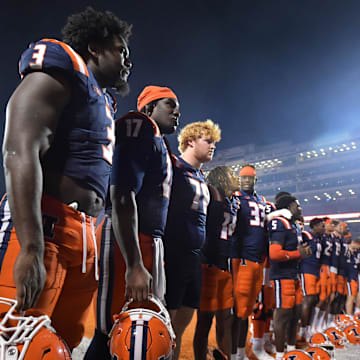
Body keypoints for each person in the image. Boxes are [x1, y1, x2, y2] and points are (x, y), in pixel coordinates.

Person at [0, 7, 132, 350]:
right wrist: (30, 245)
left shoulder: (104, 100)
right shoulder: (64, 65)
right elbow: (18, 148)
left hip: (85, 236)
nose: (127, 61)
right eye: (121, 50)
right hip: (46, 227)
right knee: (16, 341)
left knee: (61, 344)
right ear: (95, 48)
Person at [84, 85, 180, 359]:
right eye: (170, 105)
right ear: (149, 107)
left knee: (144, 328)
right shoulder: (139, 125)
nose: (176, 113)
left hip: (147, 239)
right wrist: (135, 264)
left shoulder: (159, 139)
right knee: (116, 329)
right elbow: (122, 194)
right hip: (127, 238)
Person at [164, 119, 221, 360]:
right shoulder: (173, 167)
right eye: (208, 141)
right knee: (166, 321)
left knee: (182, 322)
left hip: (194, 256)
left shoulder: (201, 177)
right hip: (173, 253)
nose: (212, 147)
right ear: (190, 141)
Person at [193, 166, 240, 360]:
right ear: (222, 178)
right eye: (231, 175)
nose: (236, 178)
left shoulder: (232, 201)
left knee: (225, 319)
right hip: (208, 265)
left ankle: (225, 355)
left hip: (224, 265)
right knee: (205, 320)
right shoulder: (211, 195)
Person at [267, 194, 311, 360]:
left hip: (294, 274)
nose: (299, 208)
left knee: (295, 313)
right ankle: (280, 354)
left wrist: (302, 254)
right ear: (289, 205)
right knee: (283, 314)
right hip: (282, 275)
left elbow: (295, 253)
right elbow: (275, 254)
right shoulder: (279, 222)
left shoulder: (293, 226)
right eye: (297, 205)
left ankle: (292, 351)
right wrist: (297, 253)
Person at [231, 164, 268, 360]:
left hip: (256, 259)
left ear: (255, 180)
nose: (246, 180)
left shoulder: (262, 201)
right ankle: (236, 353)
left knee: (248, 308)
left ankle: (241, 351)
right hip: (242, 257)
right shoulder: (235, 198)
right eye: (243, 177)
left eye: (250, 177)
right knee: (239, 309)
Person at [299, 218, 325, 341]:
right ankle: (302, 331)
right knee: (307, 300)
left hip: (315, 271)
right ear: (314, 226)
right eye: (321, 226)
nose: (323, 228)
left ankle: (308, 328)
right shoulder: (306, 235)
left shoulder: (318, 239)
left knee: (314, 300)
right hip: (306, 269)